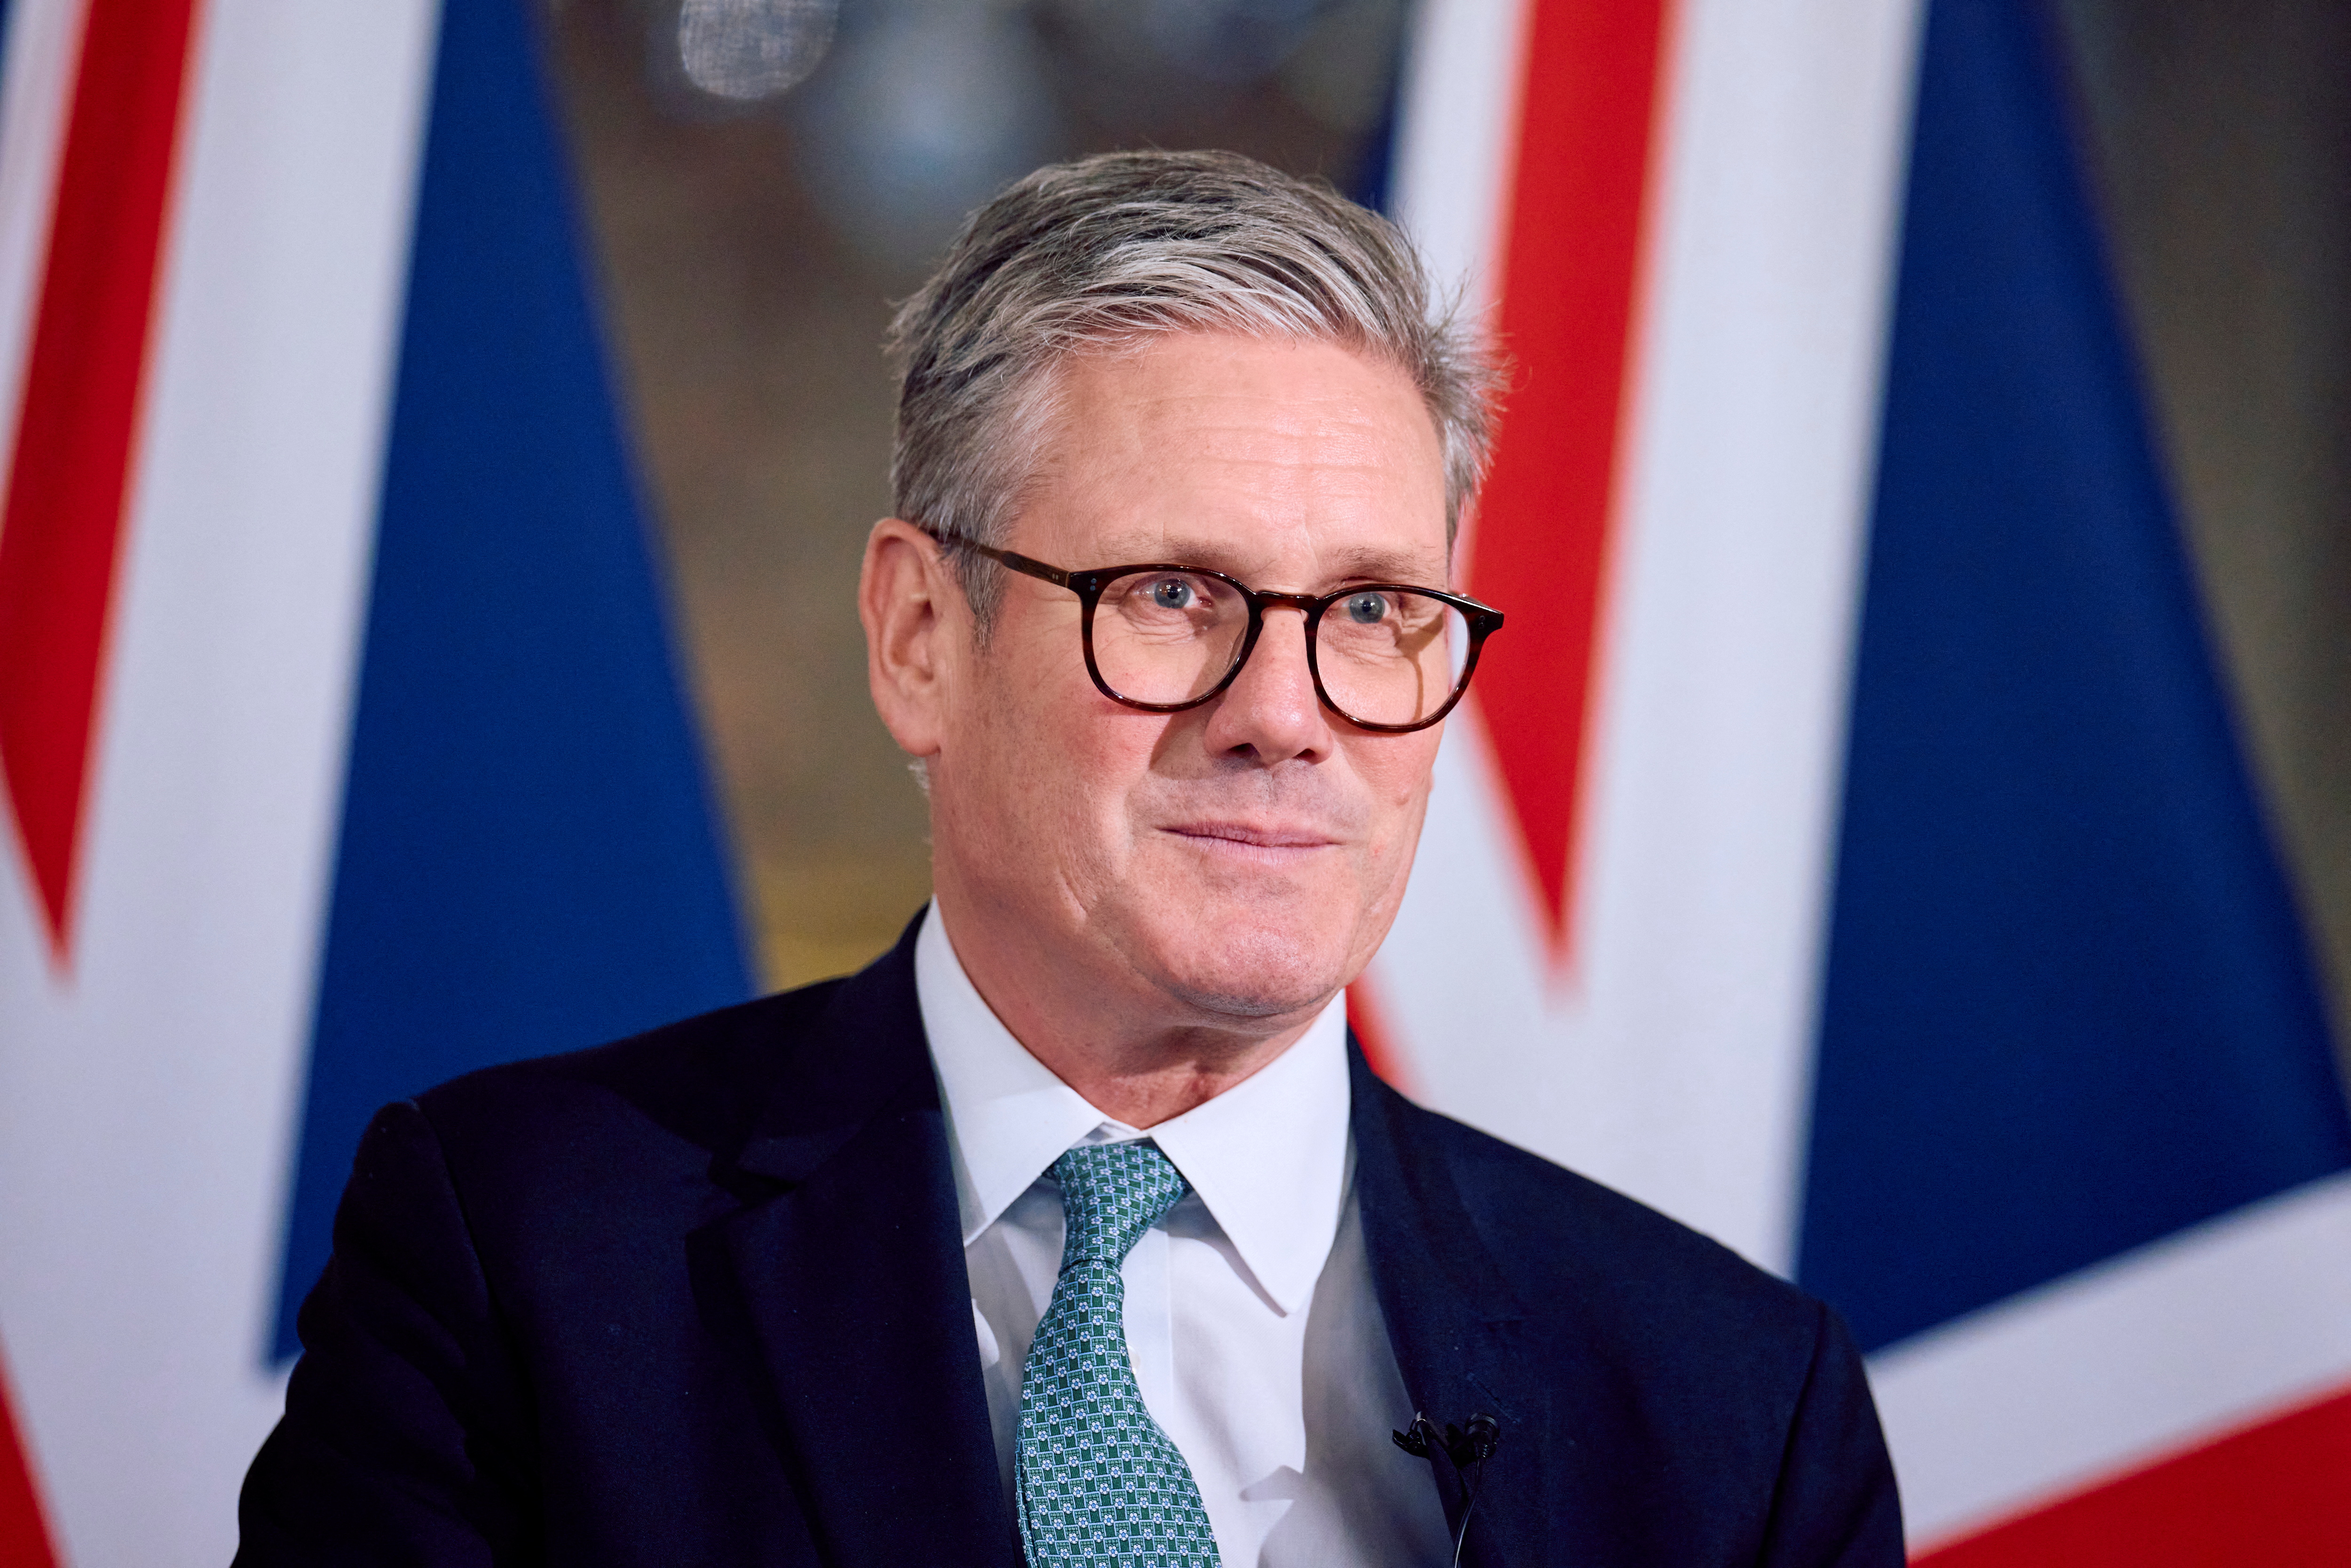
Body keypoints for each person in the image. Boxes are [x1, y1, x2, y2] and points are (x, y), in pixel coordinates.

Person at [235, 150, 1901, 1567]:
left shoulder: (1729, 1413)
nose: (1285, 715)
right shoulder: (519, 1258)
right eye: (1172, 595)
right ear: (918, 640)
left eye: (1378, 613)